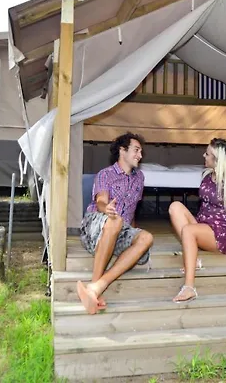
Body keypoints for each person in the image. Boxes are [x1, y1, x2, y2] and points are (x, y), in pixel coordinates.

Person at [76, 132, 154, 314]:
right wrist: (107, 209)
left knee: (146, 237)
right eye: (136, 150)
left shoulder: (139, 178)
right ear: (122, 150)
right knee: (116, 220)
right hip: (96, 224)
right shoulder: (106, 174)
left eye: (141, 152)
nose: (140, 155)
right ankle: (95, 285)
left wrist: (134, 238)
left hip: (121, 229)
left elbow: (133, 211)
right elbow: (101, 201)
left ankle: (96, 288)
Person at [168, 138, 226, 303]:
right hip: (202, 225)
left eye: (207, 154)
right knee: (175, 207)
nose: (204, 156)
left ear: (217, 159)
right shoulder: (207, 176)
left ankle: (189, 288)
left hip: (219, 234)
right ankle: (194, 258)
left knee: (188, 230)